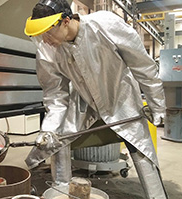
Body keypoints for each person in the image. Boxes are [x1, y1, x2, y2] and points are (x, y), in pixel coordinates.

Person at [24, 0, 168, 198]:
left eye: (48, 32)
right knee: (58, 140)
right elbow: (56, 95)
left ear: (66, 21)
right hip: (84, 101)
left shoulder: (105, 25)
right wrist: (49, 129)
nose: (44, 39)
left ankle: (157, 196)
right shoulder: (48, 50)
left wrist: (157, 104)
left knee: (141, 149)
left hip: (120, 98)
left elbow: (143, 66)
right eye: (40, 35)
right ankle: (61, 192)